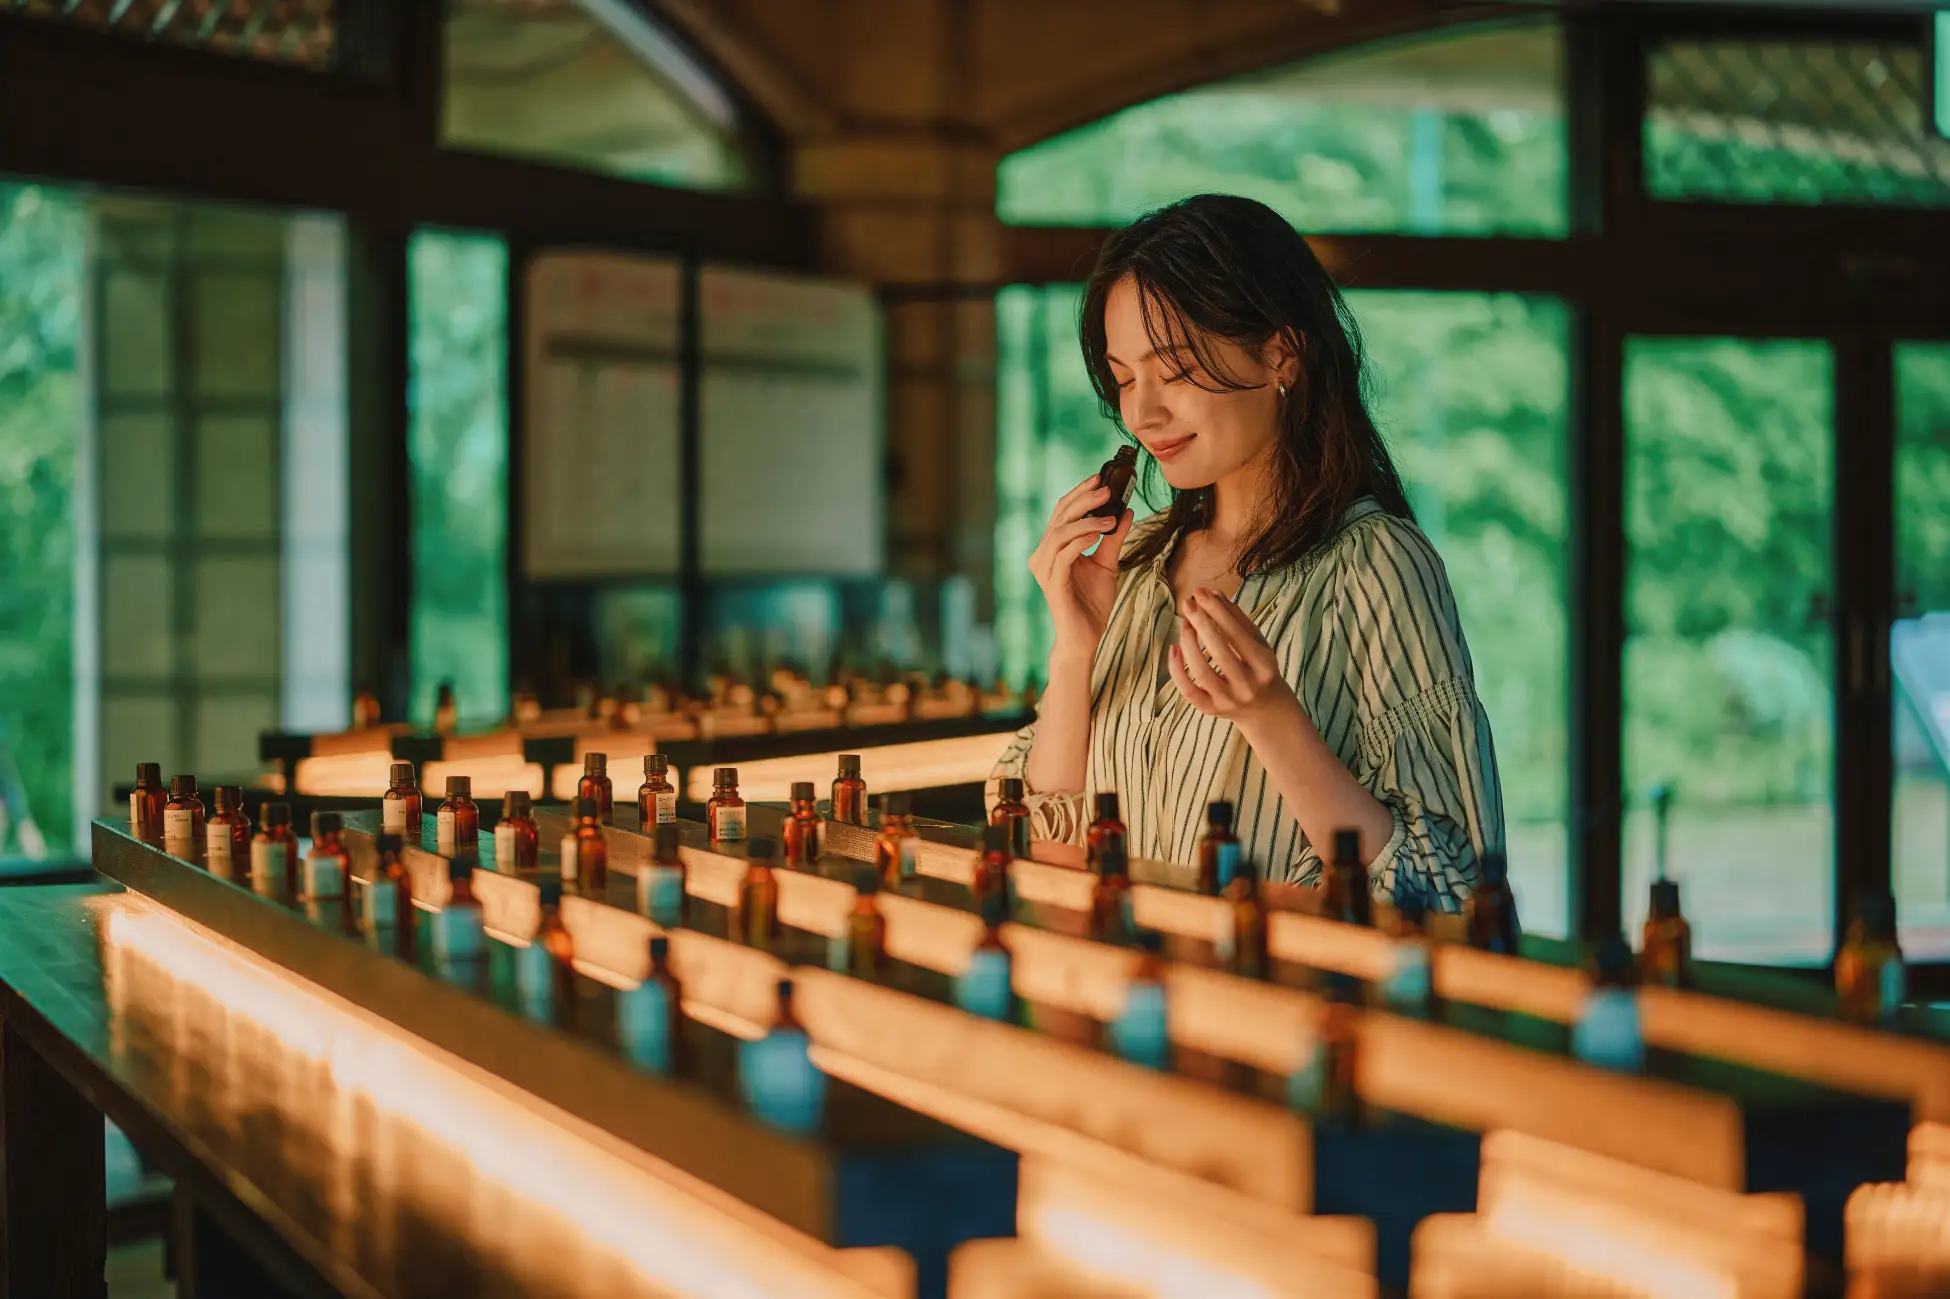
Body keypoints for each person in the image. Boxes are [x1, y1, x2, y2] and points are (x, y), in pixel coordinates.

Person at [987, 194, 1504, 912]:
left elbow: (1451, 889)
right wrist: (1076, 651)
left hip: (1284, 1008)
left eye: (1174, 368)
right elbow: (1041, 844)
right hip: (1130, 999)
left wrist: (1272, 717)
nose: (1142, 413)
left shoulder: (1376, 563)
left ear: (1280, 353)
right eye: (1125, 377)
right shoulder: (1132, 564)